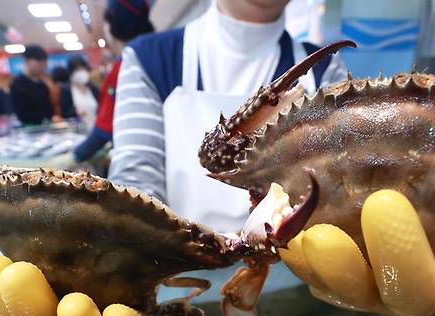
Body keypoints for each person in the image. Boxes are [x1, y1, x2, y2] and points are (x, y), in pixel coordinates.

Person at [109, 0, 348, 232]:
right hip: (178, 263)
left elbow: (339, 186)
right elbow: (134, 188)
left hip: (295, 264)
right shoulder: (149, 59)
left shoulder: (326, 67)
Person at [49, 0, 154, 168]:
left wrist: (76, 156)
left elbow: (105, 127)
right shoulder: (155, 51)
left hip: (139, 165)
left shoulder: (129, 62)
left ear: (113, 26)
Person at [9, 45, 54, 125]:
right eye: (39, 64)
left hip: (46, 127)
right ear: (27, 61)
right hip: (29, 129)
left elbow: (48, 109)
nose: (41, 68)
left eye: (43, 65)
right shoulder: (17, 84)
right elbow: (21, 113)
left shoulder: (42, 84)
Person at [60, 56, 99, 126]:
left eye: (83, 69)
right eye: (77, 70)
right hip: (77, 130)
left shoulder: (93, 88)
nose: (81, 72)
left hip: (95, 128)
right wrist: (75, 112)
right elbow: (65, 112)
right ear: (71, 72)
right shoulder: (66, 90)